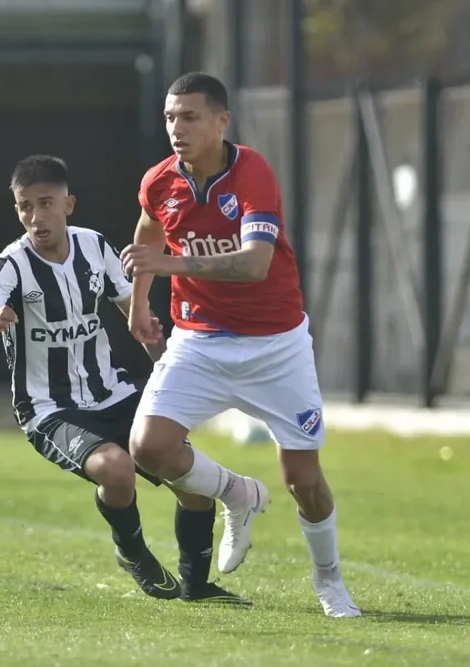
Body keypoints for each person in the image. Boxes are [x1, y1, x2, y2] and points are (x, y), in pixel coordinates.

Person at [0, 154, 249, 605]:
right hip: (50, 409)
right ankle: (132, 551)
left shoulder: (93, 246)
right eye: (25, 207)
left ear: (68, 204)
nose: (36, 217)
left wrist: (164, 363)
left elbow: (138, 317)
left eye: (45, 204)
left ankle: (198, 586)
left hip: (114, 392)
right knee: (116, 468)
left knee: (189, 476)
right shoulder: (10, 266)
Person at [120, 72, 362, 618]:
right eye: (170, 117)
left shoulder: (252, 172)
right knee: (149, 448)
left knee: (303, 481)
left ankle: (329, 580)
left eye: (190, 117)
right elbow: (147, 235)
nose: (177, 128)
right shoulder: (159, 181)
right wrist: (138, 304)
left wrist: (171, 265)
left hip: (275, 346)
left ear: (222, 121)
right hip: (198, 341)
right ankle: (237, 493)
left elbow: (255, 264)